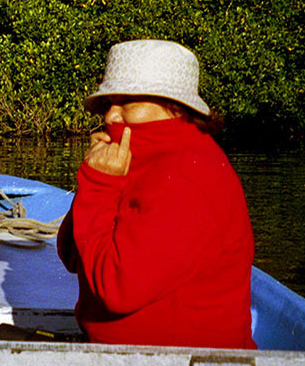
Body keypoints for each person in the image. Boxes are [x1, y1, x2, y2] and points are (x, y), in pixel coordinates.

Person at [57, 39, 256, 349]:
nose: (111, 116)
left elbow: (117, 288)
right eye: (109, 103)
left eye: (127, 102)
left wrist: (99, 186)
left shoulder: (187, 174)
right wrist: (95, 182)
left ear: (175, 106)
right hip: (122, 355)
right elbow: (72, 255)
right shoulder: (144, 161)